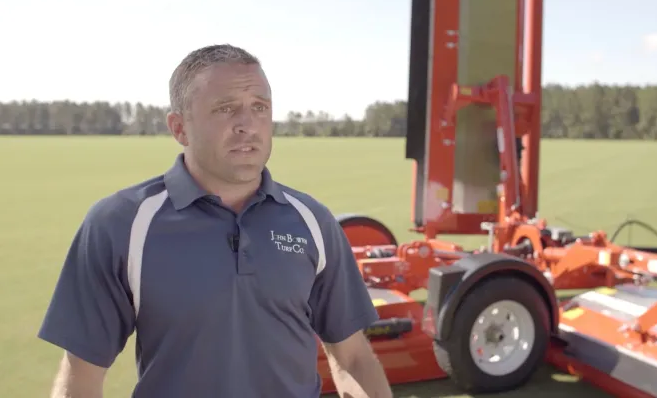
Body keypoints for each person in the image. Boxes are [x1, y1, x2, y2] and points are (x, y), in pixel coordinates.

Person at [38, 44, 393, 398]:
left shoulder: (313, 221)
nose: (247, 125)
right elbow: (81, 378)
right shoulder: (119, 225)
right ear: (180, 128)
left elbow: (353, 358)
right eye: (225, 109)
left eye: (260, 107)